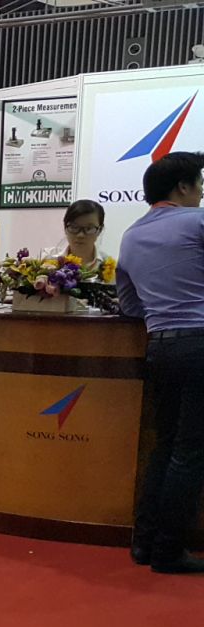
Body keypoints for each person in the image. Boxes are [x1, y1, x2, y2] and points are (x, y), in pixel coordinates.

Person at [117, 151, 204, 575]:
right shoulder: (197, 222)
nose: (201, 193)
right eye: (199, 185)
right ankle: (169, 550)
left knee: (165, 446)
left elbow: (130, 306)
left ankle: (145, 542)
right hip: (201, 341)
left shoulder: (130, 235)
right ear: (183, 187)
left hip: (161, 347)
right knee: (190, 453)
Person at [44, 199, 110, 271]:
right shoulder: (49, 262)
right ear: (65, 228)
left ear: (100, 230)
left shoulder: (109, 267)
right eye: (74, 227)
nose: (80, 235)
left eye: (88, 228)